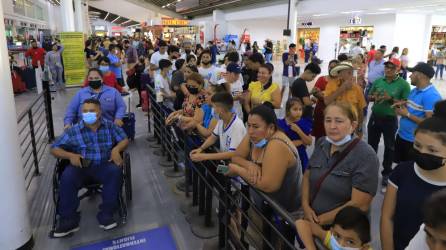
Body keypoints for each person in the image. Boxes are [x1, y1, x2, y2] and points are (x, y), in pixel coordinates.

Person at [51, 98, 129, 237]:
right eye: (85, 111)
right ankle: (68, 219)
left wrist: (116, 149)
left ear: (99, 112)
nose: (87, 114)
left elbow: (124, 139)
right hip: (81, 165)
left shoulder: (109, 126)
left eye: (91, 111)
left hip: (103, 164)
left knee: (115, 172)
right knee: (67, 177)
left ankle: (106, 213)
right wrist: (70, 156)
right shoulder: (74, 130)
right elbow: (54, 149)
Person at [381, 100, 446, 250]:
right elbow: (387, 217)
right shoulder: (403, 171)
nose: (422, 153)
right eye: (417, 146)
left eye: (432, 150)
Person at [302, 102, 378, 226]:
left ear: (353, 125)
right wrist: (305, 207)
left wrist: (318, 221)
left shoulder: (365, 155)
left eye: (339, 121)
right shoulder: (322, 143)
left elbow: (359, 204)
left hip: (341, 231)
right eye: (328, 120)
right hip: (310, 221)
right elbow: (307, 176)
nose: (332, 126)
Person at [229, 104, 301, 212]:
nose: (250, 131)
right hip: (260, 209)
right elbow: (235, 157)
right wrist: (249, 164)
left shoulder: (277, 144)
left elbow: (267, 185)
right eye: (249, 125)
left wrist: (237, 169)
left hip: (282, 218)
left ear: (271, 128)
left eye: (255, 126)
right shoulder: (254, 135)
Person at [367, 58, 410, 191]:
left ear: (398, 69)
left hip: (390, 120)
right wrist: (374, 97)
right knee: (371, 146)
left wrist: (390, 99)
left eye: (391, 68)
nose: (388, 70)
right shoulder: (379, 81)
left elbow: (406, 102)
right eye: (386, 67)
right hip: (375, 117)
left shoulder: (404, 84)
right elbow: (369, 96)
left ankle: (386, 173)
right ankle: (370, 171)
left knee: (389, 147)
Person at [393, 62, 442, 163]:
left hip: (414, 142)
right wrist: (403, 103)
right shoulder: (415, 90)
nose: (410, 76)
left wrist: (407, 114)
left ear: (420, 75)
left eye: (412, 73)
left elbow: (430, 124)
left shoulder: (431, 96)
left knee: (410, 171)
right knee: (401, 166)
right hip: (402, 136)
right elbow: (414, 106)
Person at [190, 92, 246, 162]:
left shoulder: (237, 126)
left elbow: (232, 154)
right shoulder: (221, 120)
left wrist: (205, 156)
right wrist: (200, 149)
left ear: (220, 109)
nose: (213, 110)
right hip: (225, 162)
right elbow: (213, 137)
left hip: (234, 166)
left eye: (213, 107)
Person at [296, 206, 371, 250]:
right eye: (338, 236)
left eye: (350, 242)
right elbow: (301, 223)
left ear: (364, 248)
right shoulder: (331, 238)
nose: (340, 244)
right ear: (331, 231)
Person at [324, 61, 367, 133]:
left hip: (351, 126)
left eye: (352, 73)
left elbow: (360, 110)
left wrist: (359, 126)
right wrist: (342, 88)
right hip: (334, 124)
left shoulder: (357, 88)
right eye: (349, 73)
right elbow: (327, 102)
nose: (352, 75)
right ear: (340, 74)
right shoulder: (331, 85)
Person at [277, 98, 312, 171]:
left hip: (300, 156)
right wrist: (301, 142)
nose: (298, 112)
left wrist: (298, 131)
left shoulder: (303, 123)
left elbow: (309, 142)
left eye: (300, 109)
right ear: (288, 111)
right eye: (295, 109)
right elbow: (282, 144)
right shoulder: (280, 124)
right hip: (285, 156)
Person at [311, 60, 339, 141]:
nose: (331, 69)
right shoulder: (321, 79)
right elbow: (315, 92)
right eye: (330, 67)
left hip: (334, 114)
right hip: (320, 113)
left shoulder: (340, 82)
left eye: (334, 67)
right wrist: (330, 96)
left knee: (332, 138)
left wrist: (323, 94)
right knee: (319, 139)